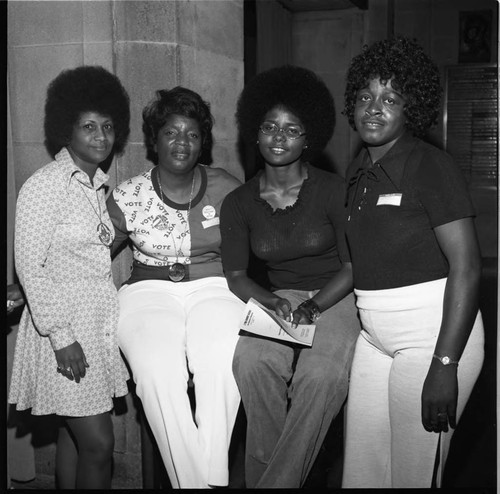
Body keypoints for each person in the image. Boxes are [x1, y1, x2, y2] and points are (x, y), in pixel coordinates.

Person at [341, 36, 485, 488]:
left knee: (412, 477)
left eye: (390, 98)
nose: (374, 108)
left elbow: (467, 267)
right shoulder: (358, 169)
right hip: (374, 338)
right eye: (365, 97)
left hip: (430, 337)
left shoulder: (430, 166)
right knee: (362, 474)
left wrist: (444, 364)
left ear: (412, 108)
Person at [220, 65, 360, 488]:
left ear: (308, 137)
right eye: (269, 127)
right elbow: (237, 276)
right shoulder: (239, 202)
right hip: (280, 295)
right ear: (255, 132)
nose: (279, 138)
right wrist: (271, 299)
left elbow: (353, 267)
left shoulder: (335, 190)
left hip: (336, 294)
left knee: (320, 377)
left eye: (292, 129)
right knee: (251, 362)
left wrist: (314, 305)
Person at [106, 86, 244, 489]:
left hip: (216, 287)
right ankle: (200, 484)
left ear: (203, 142)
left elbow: (262, 239)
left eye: (192, 134)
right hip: (147, 291)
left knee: (221, 361)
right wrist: (33, 283)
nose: (182, 142)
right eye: (171, 132)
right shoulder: (129, 194)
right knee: (155, 373)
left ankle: (206, 479)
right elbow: (93, 254)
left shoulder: (227, 187)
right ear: (154, 139)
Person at [8, 65, 131, 489]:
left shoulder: (96, 188)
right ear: (66, 130)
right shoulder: (47, 185)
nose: (101, 136)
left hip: (95, 324)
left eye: (108, 126)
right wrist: (62, 337)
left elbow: (90, 250)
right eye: (89, 126)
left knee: (72, 438)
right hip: (63, 330)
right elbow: (29, 265)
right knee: (98, 443)